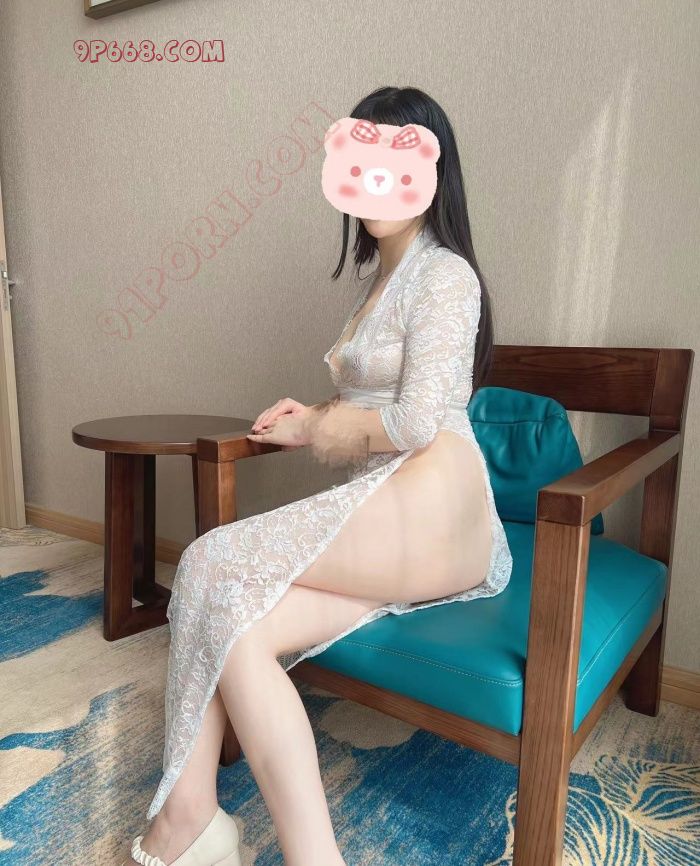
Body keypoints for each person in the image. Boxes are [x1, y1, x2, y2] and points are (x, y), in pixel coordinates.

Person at [123, 85, 513, 866]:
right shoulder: (381, 283)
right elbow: (375, 403)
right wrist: (316, 414)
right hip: (389, 507)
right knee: (238, 617)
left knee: (206, 562)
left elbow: (417, 421)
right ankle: (294, 853)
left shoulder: (445, 276)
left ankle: (187, 820)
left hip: (437, 505)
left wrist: (321, 430)